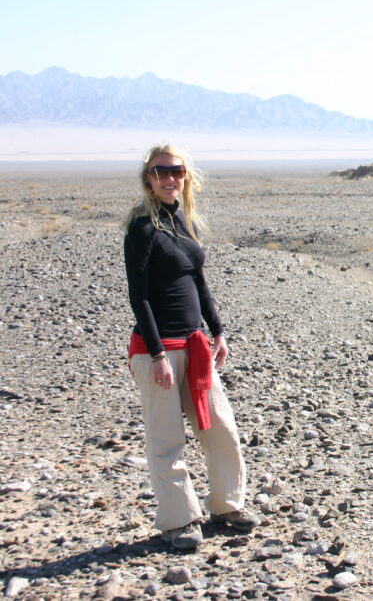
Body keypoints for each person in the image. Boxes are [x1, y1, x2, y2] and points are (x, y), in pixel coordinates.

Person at [123, 144, 258, 549]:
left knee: (220, 430)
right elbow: (138, 296)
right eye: (160, 171)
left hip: (197, 346)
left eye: (176, 171)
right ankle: (179, 520)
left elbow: (198, 282)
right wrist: (158, 355)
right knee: (166, 439)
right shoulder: (142, 228)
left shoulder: (183, 221)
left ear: (186, 176)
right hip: (158, 350)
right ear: (148, 177)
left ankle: (227, 504)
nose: (169, 179)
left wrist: (218, 332)